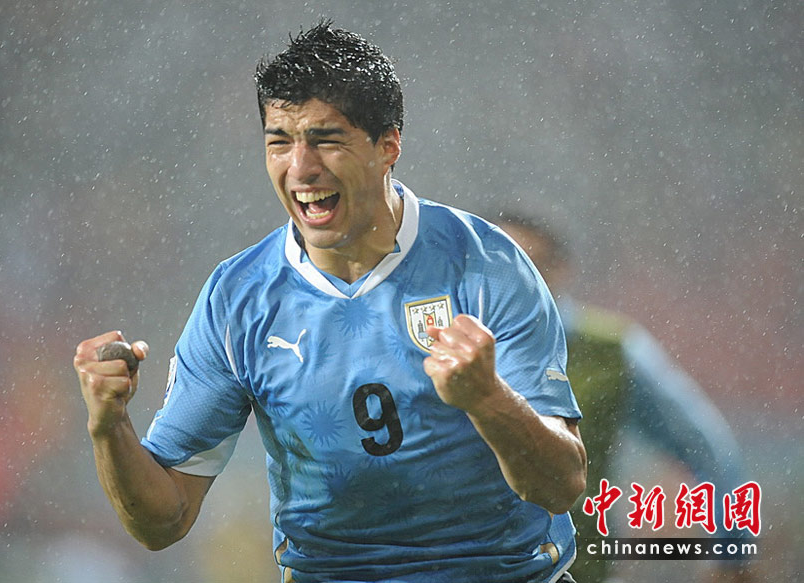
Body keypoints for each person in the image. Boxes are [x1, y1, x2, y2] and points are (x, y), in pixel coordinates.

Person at [74, 21, 587, 583]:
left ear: (388, 145)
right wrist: (109, 424)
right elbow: (163, 520)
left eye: (326, 139)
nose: (301, 167)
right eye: (279, 141)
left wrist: (487, 398)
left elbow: (561, 485)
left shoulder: (486, 265)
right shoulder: (239, 299)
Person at [497, 212, 759, 583]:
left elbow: (702, 445)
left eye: (532, 263)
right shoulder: (446, 347)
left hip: (579, 569)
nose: (518, 278)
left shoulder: (612, 351)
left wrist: (733, 550)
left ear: (561, 269)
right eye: (503, 265)